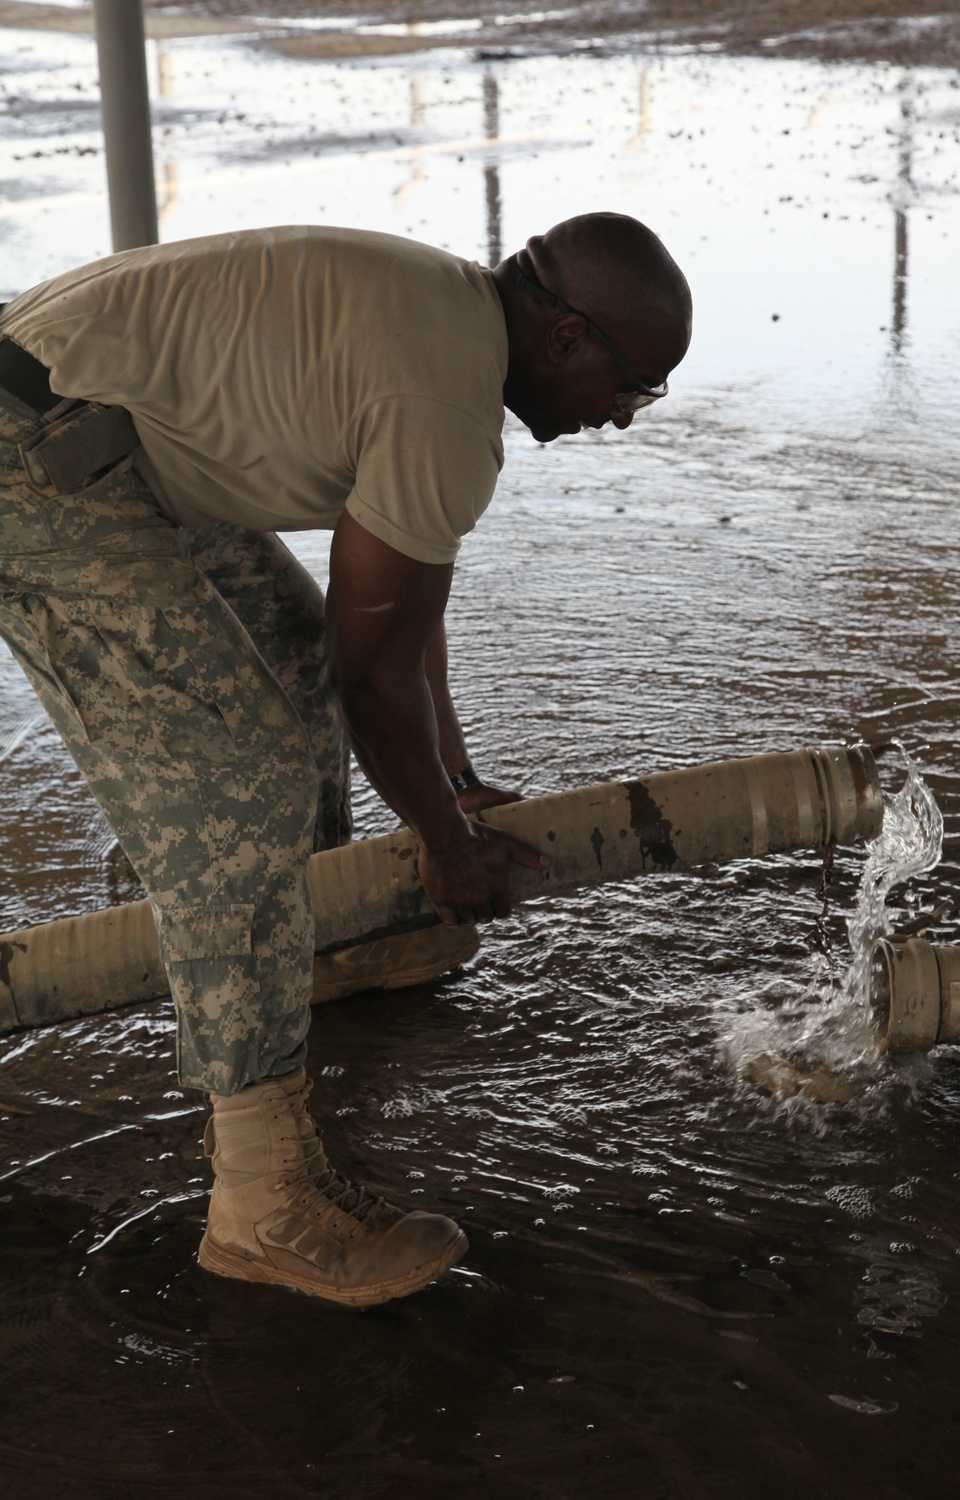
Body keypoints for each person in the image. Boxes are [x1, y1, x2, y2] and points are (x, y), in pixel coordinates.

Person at [0, 213, 691, 1307]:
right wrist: (442, 844)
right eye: (635, 384)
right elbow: (378, 678)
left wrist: (453, 791)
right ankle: (262, 1202)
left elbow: (394, 615)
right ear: (566, 338)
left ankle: (311, 943)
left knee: (287, 657)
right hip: (32, 446)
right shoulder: (445, 401)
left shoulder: (452, 334)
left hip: (97, 421)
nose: (623, 415)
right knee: (236, 776)